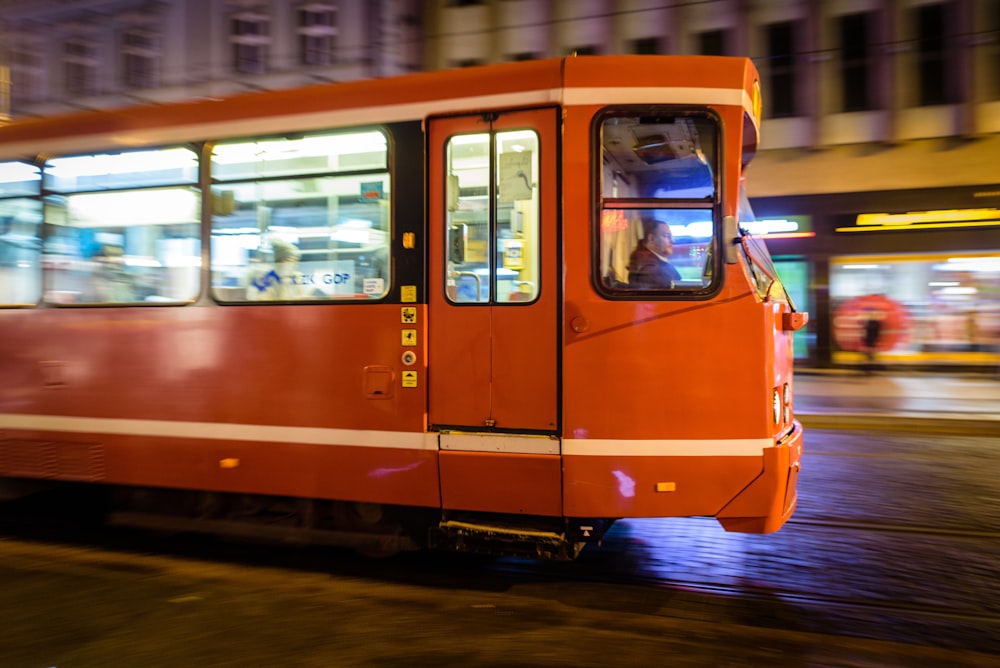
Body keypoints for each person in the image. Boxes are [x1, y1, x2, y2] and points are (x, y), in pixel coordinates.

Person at [627, 216, 681, 289]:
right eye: (667, 236)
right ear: (652, 239)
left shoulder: (652, 263)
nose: (672, 241)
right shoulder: (650, 269)